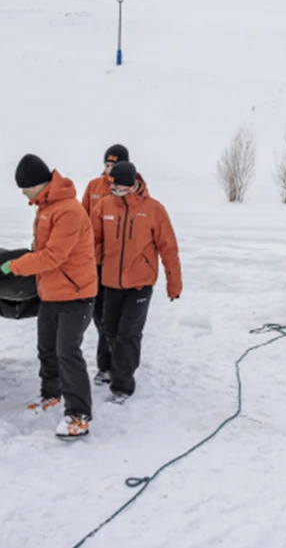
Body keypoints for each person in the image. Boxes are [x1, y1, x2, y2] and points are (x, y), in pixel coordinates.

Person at [1, 154, 98, 438]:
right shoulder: (45, 208)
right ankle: (51, 394)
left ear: (36, 184)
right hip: (52, 293)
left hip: (76, 295)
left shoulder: (67, 210)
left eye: (24, 187)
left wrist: (16, 267)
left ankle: (79, 414)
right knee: (47, 349)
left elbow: (54, 256)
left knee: (68, 352)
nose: (22, 193)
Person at [91, 161, 182, 402]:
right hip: (110, 282)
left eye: (121, 188)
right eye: (113, 187)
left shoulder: (153, 210)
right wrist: (101, 258)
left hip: (140, 284)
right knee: (109, 329)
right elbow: (92, 241)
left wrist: (174, 283)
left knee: (129, 333)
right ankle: (109, 368)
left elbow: (169, 248)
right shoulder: (103, 206)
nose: (116, 192)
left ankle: (123, 385)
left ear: (133, 185)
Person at [82, 144, 130, 386]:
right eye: (107, 165)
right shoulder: (93, 187)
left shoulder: (128, 188)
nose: (109, 170)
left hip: (118, 263)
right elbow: (81, 219)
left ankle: (110, 365)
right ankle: (107, 360)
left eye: (114, 165)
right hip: (94, 262)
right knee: (99, 315)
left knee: (113, 318)